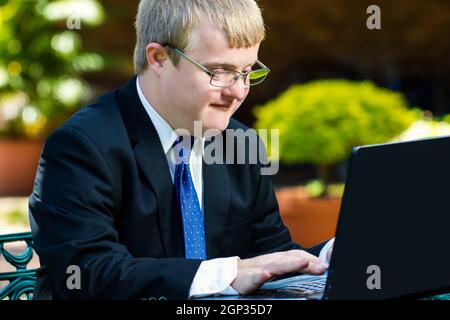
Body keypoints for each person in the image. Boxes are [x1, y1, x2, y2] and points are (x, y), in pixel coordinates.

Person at [29, 0, 333, 300]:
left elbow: (270, 258)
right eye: (220, 71)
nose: (239, 91)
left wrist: (333, 255)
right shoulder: (81, 146)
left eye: (247, 71)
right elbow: (89, 274)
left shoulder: (242, 143)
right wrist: (227, 274)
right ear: (159, 58)